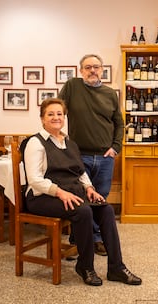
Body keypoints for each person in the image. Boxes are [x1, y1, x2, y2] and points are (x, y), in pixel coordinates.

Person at [23, 98, 141, 286]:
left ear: (64, 117)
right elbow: (34, 180)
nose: (56, 117)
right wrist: (60, 192)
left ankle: (116, 267)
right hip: (42, 197)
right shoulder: (35, 143)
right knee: (83, 210)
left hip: (72, 192)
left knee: (106, 209)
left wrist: (89, 188)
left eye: (59, 114)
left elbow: (80, 172)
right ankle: (85, 266)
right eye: (50, 114)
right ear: (42, 118)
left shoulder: (69, 142)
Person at [59, 54, 124, 256]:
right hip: (79, 156)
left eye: (96, 67)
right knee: (80, 199)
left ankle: (94, 238)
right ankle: (78, 240)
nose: (92, 71)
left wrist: (115, 147)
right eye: (88, 67)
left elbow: (119, 123)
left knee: (100, 199)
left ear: (103, 70)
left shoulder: (110, 94)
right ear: (81, 71)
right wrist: (58, 138)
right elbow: (57, 110)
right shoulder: (72, 86)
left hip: (105, 158)